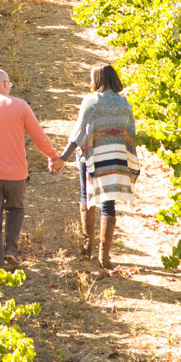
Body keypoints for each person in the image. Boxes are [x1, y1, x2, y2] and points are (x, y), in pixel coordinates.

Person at [0, 69, 61, 269]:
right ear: (6, 84)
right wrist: (53, 156)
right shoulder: (20, 106)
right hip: (17, 175)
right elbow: (38, 136)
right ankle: (10, 250)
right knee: (15, 209)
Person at [54, 64, 138, 269]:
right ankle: (105, 256)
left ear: (100, 79)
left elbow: (78, 134)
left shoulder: (91, 102)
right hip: (115, 159)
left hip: (92, 158)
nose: (89, 83)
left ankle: (87, 247)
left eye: (91, 79)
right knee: (109, 205)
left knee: (87, 198)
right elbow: (130, 133)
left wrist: (62, 158)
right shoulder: (124, 103)